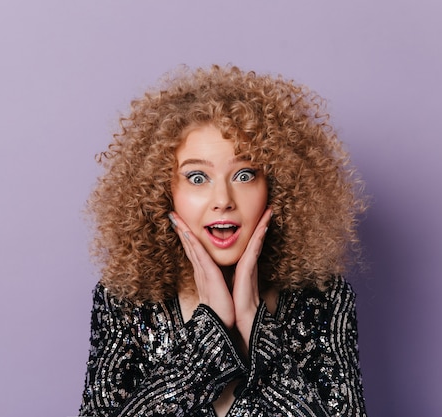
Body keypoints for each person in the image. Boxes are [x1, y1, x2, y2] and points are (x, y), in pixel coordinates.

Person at [78, 65, 368, 416]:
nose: (223, 199)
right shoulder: (124, 301)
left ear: (276, 186)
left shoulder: (323, 299)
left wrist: (251, 320)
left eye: (244, 175)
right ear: (162, 191)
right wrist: (211, 326)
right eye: (197, 177)